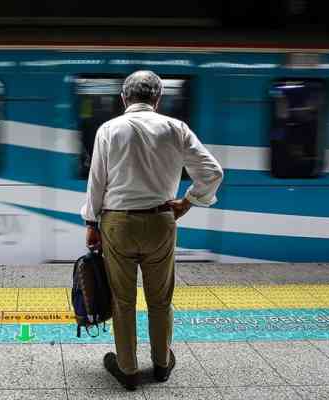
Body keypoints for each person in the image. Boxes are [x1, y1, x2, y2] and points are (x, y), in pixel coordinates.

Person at [80, 70, 223, 390]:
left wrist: (91, 223)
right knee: (160, 300)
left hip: (118, 223)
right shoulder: (176, 128)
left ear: (123, 98)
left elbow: (97, 182)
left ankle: (128, 369)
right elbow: (213, 172)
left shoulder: (108, 129)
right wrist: (188, 201)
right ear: (158, 99)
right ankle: (161, 364)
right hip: (161, 221)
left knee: (122, 300)